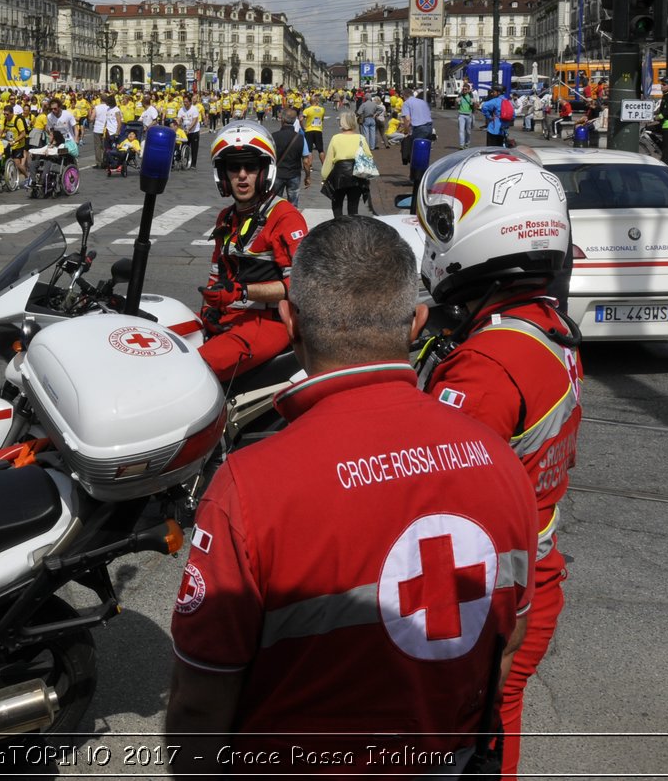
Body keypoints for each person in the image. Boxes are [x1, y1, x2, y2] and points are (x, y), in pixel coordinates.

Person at [166, 215, 537, 773]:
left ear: (289, 319)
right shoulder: (500, 461)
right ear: (415, 324)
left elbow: (201, 698)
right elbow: (509, 645)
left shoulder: (249, 487)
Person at [416, 149, 584, 779]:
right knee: (495, 718)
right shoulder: (541, 326)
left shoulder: (487, 369)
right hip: (531, 567)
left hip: (487, 589)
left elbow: (431, 492)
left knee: (470, 739)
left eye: (443, 222)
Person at [196, 121, 309, 385]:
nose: (242, 175)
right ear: (223, 176)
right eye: (234, 168)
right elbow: (216, 275)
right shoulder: (226, 217)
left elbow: (301, 286)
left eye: (251, 167)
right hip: (231, 318)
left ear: (265, 171)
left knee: (193, 370)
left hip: (269, 322)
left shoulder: (285, 217)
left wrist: (242, 291)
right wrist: (208, 311)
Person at [320, 111, 371, 218]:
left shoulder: (336, 138)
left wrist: (324, 176)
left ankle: (339, 226)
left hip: (340, 174)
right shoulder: (361, 138)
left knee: (337, 204)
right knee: (353, 206)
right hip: (357, 174)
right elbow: (369, 157)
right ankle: (351, 229)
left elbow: (329, 160)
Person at [268, 108, 311, 205]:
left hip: (277, 174)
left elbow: (268, 157)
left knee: (275, 203)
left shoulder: (273, 137)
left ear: (282, 120)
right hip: (294, 175)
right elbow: (306, 161)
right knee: (293, 204)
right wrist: (308, 176)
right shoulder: (300, 138)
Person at [457, 82, 476, 148]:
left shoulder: (470, 96)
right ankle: (462, 145)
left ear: (468, 90)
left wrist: (472, 100)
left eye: (466, 89)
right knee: (461, 131)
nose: (464, 90)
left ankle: (467, 143)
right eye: (463, 89)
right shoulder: (461, 96)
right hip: (461, 115)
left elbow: (474, 103)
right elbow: (456, 101)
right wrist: (459, 96)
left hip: (469, 115)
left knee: (468, 131)